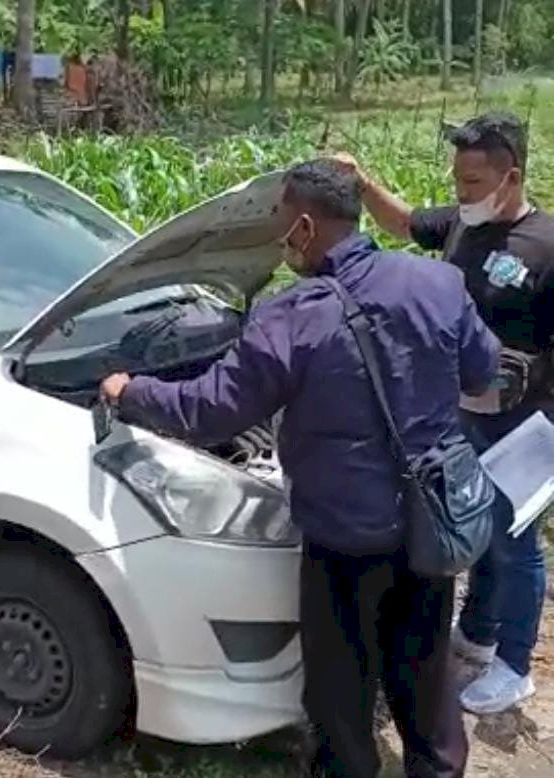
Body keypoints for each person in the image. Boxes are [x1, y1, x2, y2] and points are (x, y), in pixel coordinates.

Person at [101, 160, 501, 778]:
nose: (282, 240)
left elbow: (209, 410)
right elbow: (481, 373)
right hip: (431, 520)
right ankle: (440, 768)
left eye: (283, 225)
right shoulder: (438, 283)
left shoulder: (291, 317)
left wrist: (130, 391)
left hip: (344, 539)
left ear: (307, 226)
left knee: (342, 683)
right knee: (423, 663)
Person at [336, 111, 554, 715]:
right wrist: (360, 181)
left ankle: (515, 665)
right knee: (475, 525)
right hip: (461, 410)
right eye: (458, 180)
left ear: (511, 177)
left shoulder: (547, 246)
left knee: (516, 543)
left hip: (528, 423)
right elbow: (405, 223)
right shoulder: (462, 225)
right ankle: (479, 634)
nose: (461, 194)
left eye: (474, 182)